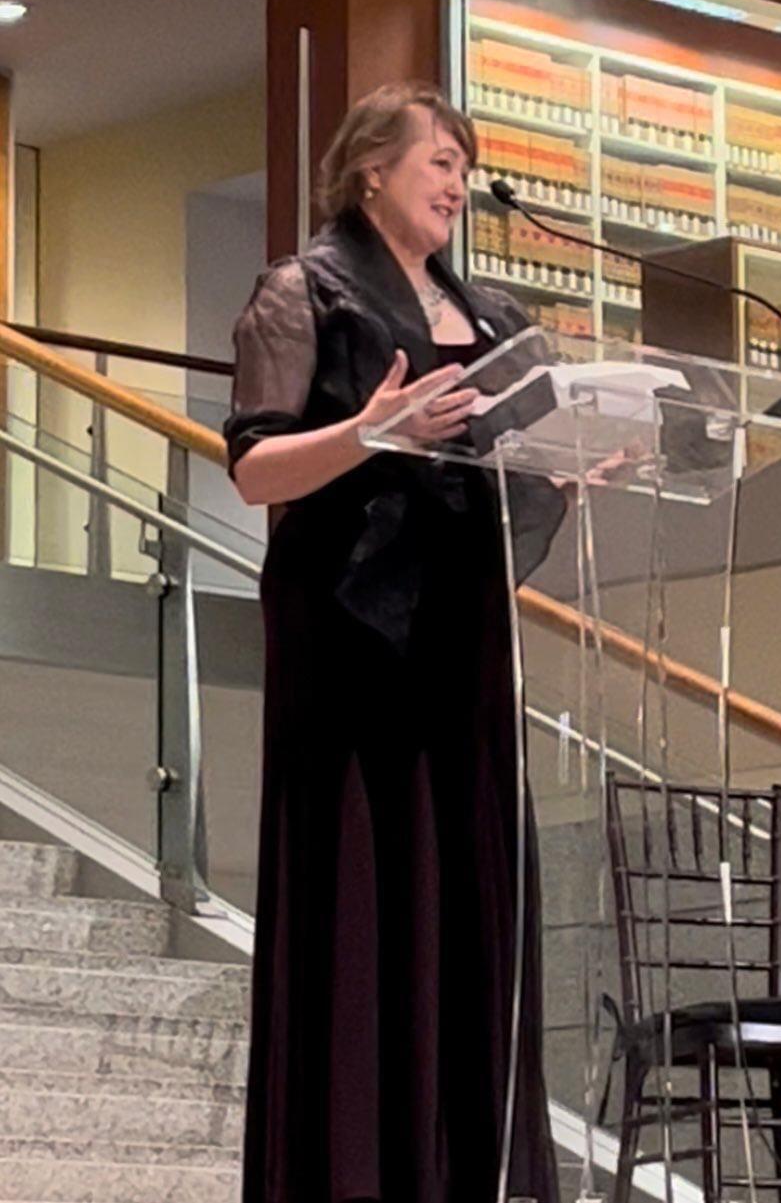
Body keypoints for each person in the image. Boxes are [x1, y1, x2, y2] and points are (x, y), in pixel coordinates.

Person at [225, 80, 564, 1203]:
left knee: (465, 894)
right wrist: (373, 428)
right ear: (370, 168)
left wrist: (577, 461)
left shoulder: (500, 316)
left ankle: (470, 1170)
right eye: (440, 163)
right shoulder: (303, 291)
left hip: (465, 637)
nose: (459, 185)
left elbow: (519, 452)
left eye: (465, 168)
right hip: (354, 631)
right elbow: (255, 471)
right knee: (372, 887)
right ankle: (356, 1175)